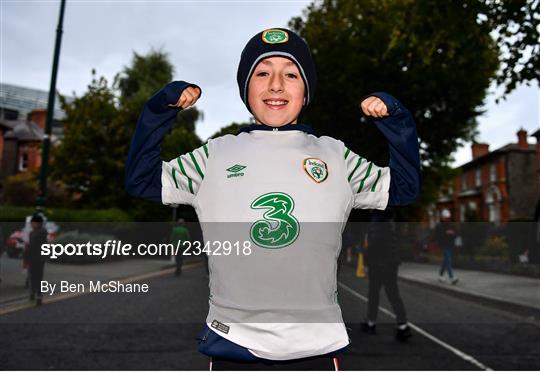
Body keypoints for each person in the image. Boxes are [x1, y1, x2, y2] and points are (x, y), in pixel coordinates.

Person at [125, 28, 421, 369]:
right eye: (262, 73)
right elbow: (141, 180)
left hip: (317, 348)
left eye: (291, 74)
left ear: (306, 89)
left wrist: (399, 123)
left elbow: (403, 188)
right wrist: (158, 112)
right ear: (245, 89)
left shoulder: (336, 155)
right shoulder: (215, 155)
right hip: (233, 345)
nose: (276, 84)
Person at [362, 208, 411, 342]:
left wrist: (367, 260)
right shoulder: (390, 219)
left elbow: (373, 244)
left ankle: (371, 323)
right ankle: (402, 325)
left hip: (378, 263)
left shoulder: (376, 220)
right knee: (393, 294)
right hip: (391, 262)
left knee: (374, 294)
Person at [24, 214, 48, 305]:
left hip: (38, 258)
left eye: (33, 222)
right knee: (32, 276)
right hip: (33, 257)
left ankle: (38, 295)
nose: (31, 224)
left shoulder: (40, 232)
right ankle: (34, 294)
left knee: (37, 277)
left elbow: (33, 245)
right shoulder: (32, 233)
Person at [435, 209, 459, 284]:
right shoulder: (439, 226)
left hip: (450, 245)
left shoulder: (451, 225)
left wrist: (453, 233)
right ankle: (452, 278)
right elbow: (438, 236)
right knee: (448, 261)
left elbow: (456, 234)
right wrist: (447, 233)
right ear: (442, 217)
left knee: (446, 261)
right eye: (445, 218)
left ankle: (441, 275)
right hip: (444, 245)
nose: (447, 219)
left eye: (448, 218)